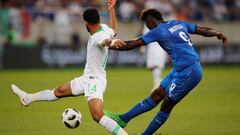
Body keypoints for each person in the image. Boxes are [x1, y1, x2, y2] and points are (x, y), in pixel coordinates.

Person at [11, 1, 128, 135]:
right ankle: (28, 98)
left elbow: (105, 42)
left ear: (86, 23)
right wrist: (112, 10)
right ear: (98, 19)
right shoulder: (104, 28)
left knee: (97, 116)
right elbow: (114, 30)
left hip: (94, 81)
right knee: (59, 91)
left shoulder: (97, 37)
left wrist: (112, 42)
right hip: (86, 78)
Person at [105, 9, 228, 135]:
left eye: (147, 23)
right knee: (157, 95)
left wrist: (109, 46)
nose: (147, 26)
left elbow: (133, 44)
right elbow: (201, 30)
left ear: (152, 18)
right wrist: (217, 33)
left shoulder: (158, 31)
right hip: (180, 69)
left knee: (166, 105)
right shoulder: (178, 23)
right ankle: (123, 119)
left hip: (189, 72)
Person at [141, 25, 167, 91]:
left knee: (156, 65)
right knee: (151, 67)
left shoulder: (159, 23)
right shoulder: (146, 24)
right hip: (151, 47)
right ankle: (159, 82)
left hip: (158, 46)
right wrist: (143, 46)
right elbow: (145, 35)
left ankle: (157, 84)